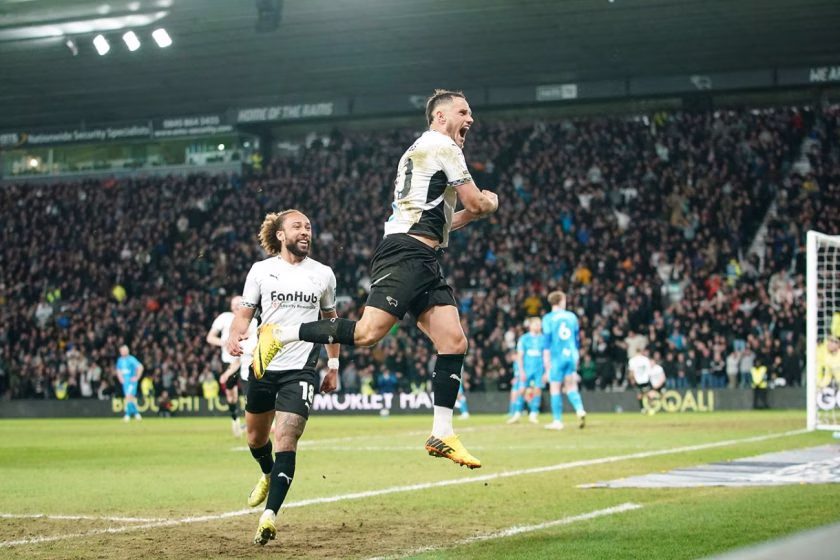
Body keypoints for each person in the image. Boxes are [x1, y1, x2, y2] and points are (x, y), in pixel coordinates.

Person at [253, 90, 498, 469]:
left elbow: (448, 221)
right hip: (405, 254)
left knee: (453, 341)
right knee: (368, 334)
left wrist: (475, 211)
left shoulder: (426, 152)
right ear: (440, 117)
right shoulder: (443, 146)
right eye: (463, 112)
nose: (471, 119)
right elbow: (478, 204)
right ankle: (280, 334)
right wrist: (490, 203)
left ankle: (442, 433)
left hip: (424, 255)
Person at [226, 209, 340, 546]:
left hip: (301, 368)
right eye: (297, 227)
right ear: (280, 234)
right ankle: (266, 471)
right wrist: (235, 335)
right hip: (264, 366)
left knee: (286, 438)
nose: (305, 232)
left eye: (308, 226)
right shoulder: (262, 271)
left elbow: (332, 322)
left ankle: (269, 516)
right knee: (254, 439)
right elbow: (243, 315)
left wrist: (332, 367)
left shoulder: (323, 274)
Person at [207, 295, 257, 436]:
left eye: (240, 303)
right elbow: (210, 337)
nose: (237, 306)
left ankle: (250, 424)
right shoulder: (224, 318)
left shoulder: (250, 320)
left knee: (249, 393)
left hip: (245, 359)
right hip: (229, 361)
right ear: (230, 306)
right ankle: (235, 419)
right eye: (234, 303)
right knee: (232, 396)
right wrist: (225, 342)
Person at [542, 291, 586, 430]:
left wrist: (546, 362)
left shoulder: (548, 318)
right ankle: (580, 410)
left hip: (557, 357)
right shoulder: (572, 316)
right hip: (571, 355)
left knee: (555, 388)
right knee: (571, 386)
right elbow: (576, 338)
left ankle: (557, 421)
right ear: (560, 301)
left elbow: (547, 342)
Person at [510, 317, 548, 424]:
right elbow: (520, 356)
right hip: (526, 369)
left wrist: (546, 371)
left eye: (539, 324)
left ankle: (533, 414)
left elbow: (546, 356)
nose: (538, 326)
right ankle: (517, 413)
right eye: (536, 324)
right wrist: (521, 370)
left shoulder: (543, 339)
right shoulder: (524, 339)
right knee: (521, 390)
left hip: (539, 369)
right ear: (530, 326)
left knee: (537, 390)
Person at [628, 349, 666, 413]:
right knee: (649, 395)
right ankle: (650, 407)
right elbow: (649, 370)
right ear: (641, 352)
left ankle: (643, 408)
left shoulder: (632, 360)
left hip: (638, 381)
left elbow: (631, 372)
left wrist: (632, 379)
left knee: (640, 395)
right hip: (645, 380)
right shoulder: (645, 359)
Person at [115, 344, 143, 422]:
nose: (122, 352)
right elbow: (118, 370)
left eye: (123, 351)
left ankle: (127, 415)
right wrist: (120, 378)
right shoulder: (120, 360)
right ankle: (137, 414)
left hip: (131, 381)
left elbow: (140, 367)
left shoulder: (131, 359)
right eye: (121, 351)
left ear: (127, 351)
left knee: (128, 397)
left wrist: (137, 377)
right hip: (125, 382)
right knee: (129, 398)